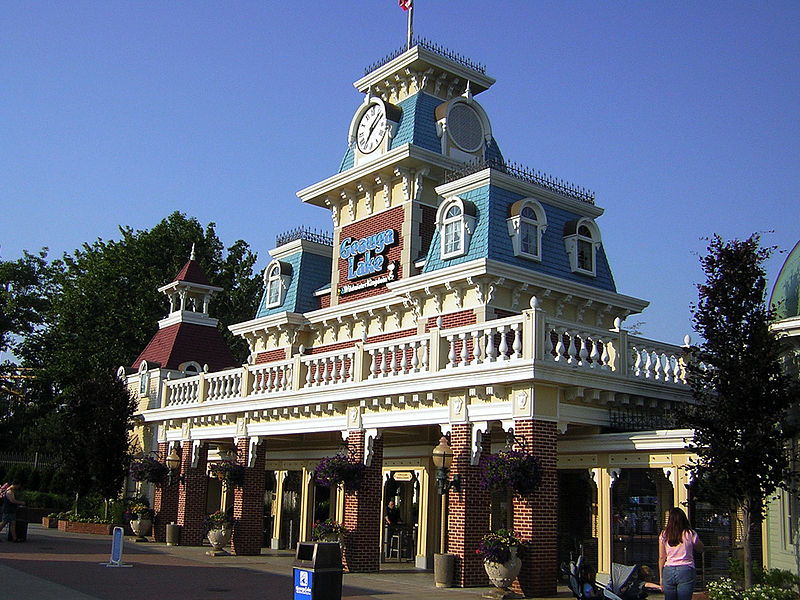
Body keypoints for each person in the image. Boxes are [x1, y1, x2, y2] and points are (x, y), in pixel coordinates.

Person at [658, 507, 703, 600]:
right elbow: (700, 548)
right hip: (686, 568)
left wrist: (661, 577)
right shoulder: (690, 533)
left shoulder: (664, 535)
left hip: (669, 569)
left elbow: (662, 557)